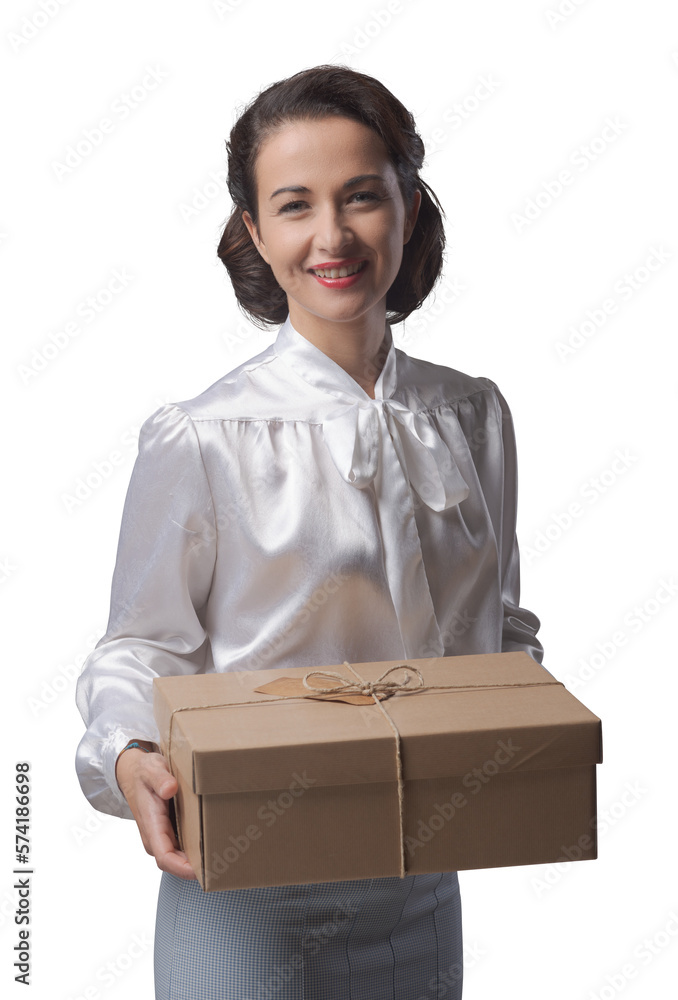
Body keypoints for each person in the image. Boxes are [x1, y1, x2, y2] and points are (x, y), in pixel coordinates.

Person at [75, 63, 544, 1000]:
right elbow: (138, 647)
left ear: (409, 207)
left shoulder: (473, 415)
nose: (332, 236)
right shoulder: (203, 435)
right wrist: (129, 753)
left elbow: (501, 626)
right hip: (246, 878)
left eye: (362, 196)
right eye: (295, 205)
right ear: (255, 230)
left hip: (422, 881)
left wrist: (526, 728)